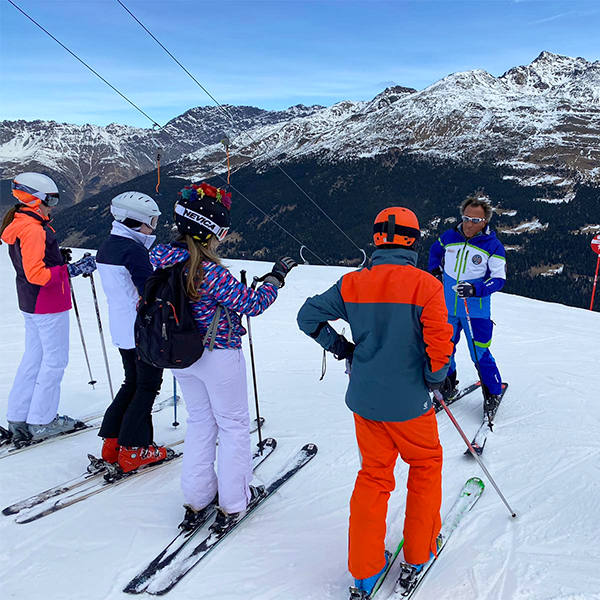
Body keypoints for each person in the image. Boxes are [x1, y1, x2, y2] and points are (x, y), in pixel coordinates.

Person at [297, 207, 454, 596]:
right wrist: (434, 381)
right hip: (410, 403)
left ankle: (365, 570)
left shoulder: (353, 283)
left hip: (365, 401)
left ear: (377, 238)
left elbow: (307, 316)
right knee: (425, 465)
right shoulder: (426, 286)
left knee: (373, 476)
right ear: (413, 241)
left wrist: (342, 349)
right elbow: (440, 347)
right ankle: (419, 553)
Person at [149, 182, 296, 533]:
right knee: (232, 426)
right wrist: (275, 280)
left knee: (200, 422)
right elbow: (251, 304)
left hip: (180, 356)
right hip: (218, 353)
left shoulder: (160, 259)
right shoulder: (208, 271)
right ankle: (234, 501)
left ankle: (198, 497)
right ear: (210, 231)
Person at [0, 172, 96, 444]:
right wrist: (70, 270)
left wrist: (57, 261)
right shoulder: (33, 229)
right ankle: (43, 420)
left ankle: (18, 417)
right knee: (55, 362)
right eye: (50, 198)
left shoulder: (21, 223)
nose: (53, 204)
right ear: (33, 199)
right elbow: (37, 275)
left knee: (34, 357)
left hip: (31, 302)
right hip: (47, 303)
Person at [96, 191, 167, 472]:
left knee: (132, 383)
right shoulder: (133, 250)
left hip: (121, 328)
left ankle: (112, 443)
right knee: (147, 387)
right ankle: (134, 449)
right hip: (141, 331)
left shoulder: (109, 245)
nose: (153, 227)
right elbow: (149, 291)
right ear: (135, 221)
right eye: (151, 221)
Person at [428, 195, 506, 418]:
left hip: (476, 311)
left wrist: (475, 289)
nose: (469, 224)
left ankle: (492, 392)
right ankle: (447, 387)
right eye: (466, 218)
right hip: (447, 308)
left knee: (479, 352)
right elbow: (435, 251)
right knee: (444, 350)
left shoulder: (493, 245)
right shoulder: (450, 236)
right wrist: (435, 271)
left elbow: (499, 279)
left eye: (476, 220)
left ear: (485, 221)